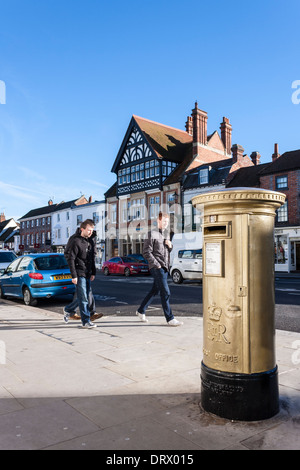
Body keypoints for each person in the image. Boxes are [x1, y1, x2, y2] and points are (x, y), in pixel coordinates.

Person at [136, 212, 183, 327]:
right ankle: (170, 318)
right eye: (164, 221)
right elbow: (146, 252)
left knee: (155, 290)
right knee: (165, 292)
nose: (166, 224)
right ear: (158, 220)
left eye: (167, 222)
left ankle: (141, 310)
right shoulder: (151, 234)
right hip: (157, 267)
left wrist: (170, 246)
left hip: (165, 266)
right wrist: (156, 264)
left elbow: (166, 252)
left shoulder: (166, 235)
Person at [64, 219, 98, 329]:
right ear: (82, 229)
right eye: (89, 230)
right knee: (83, 298)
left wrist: (93, 272)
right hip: (79, 272)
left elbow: (92, 258)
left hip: (87, 272)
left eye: (92, 230)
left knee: (85, 296)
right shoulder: (75, 241)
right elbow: (71, 258)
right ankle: (86, 321)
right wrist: (73, 275)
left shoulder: (91, 241)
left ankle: (68, 309)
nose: (90, 232)